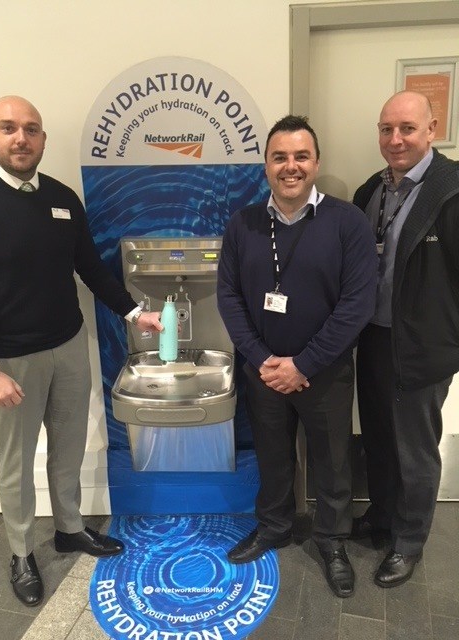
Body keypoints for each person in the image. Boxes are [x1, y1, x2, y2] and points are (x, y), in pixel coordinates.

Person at [0, 96, 163, 607]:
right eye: (10, 128)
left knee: (68, 448)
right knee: (16, 464)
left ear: (42, 139)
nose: (22, 138)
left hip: (66, 348)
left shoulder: (61, 199)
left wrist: (133, 312)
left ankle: (69, 527)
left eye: (32, 130)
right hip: (9, 362)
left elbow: (91, 268)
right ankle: (20, 552)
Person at [217, 115, 377, 598]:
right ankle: (275, 527)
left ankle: (331, 540)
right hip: (263, 371)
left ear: (316, 162)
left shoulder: (347, 221)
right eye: (280, 157)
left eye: (300, 156)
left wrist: (303, 364)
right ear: (265, 165)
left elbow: (358, 304)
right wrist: (265, 359)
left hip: (324, 373)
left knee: (332, 460)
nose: (291, 166)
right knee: (273, 455)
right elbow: (228, 296)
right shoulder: (244, 223)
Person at [352, 90, 459, 588]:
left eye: (407, 129)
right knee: (376, 437)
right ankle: (382, 516)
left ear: (432, 130)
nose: (395, 140)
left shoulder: (452, 191)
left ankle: (409, 542)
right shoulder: (370, 190)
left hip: (422, 347)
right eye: (386, 129)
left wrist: (448, 342)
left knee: (415, 447)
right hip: (372, 338)